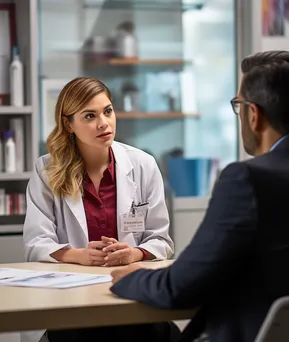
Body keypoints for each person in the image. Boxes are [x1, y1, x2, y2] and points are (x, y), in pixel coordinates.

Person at [110, 50, 289, 342]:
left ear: (254, 115)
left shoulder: (246, 179)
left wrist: (131, 278)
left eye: (238, 105)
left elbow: (178, 288)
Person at [22, 77, 177, 342]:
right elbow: (36, 242)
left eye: (107, 111)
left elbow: (160, 239)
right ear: (68, 124)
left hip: (130, 293)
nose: (104, 123)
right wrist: (77, 255)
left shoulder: (143, 165)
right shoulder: (47, 171)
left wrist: (134, 253)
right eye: (90, 116)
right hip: (73, 299)